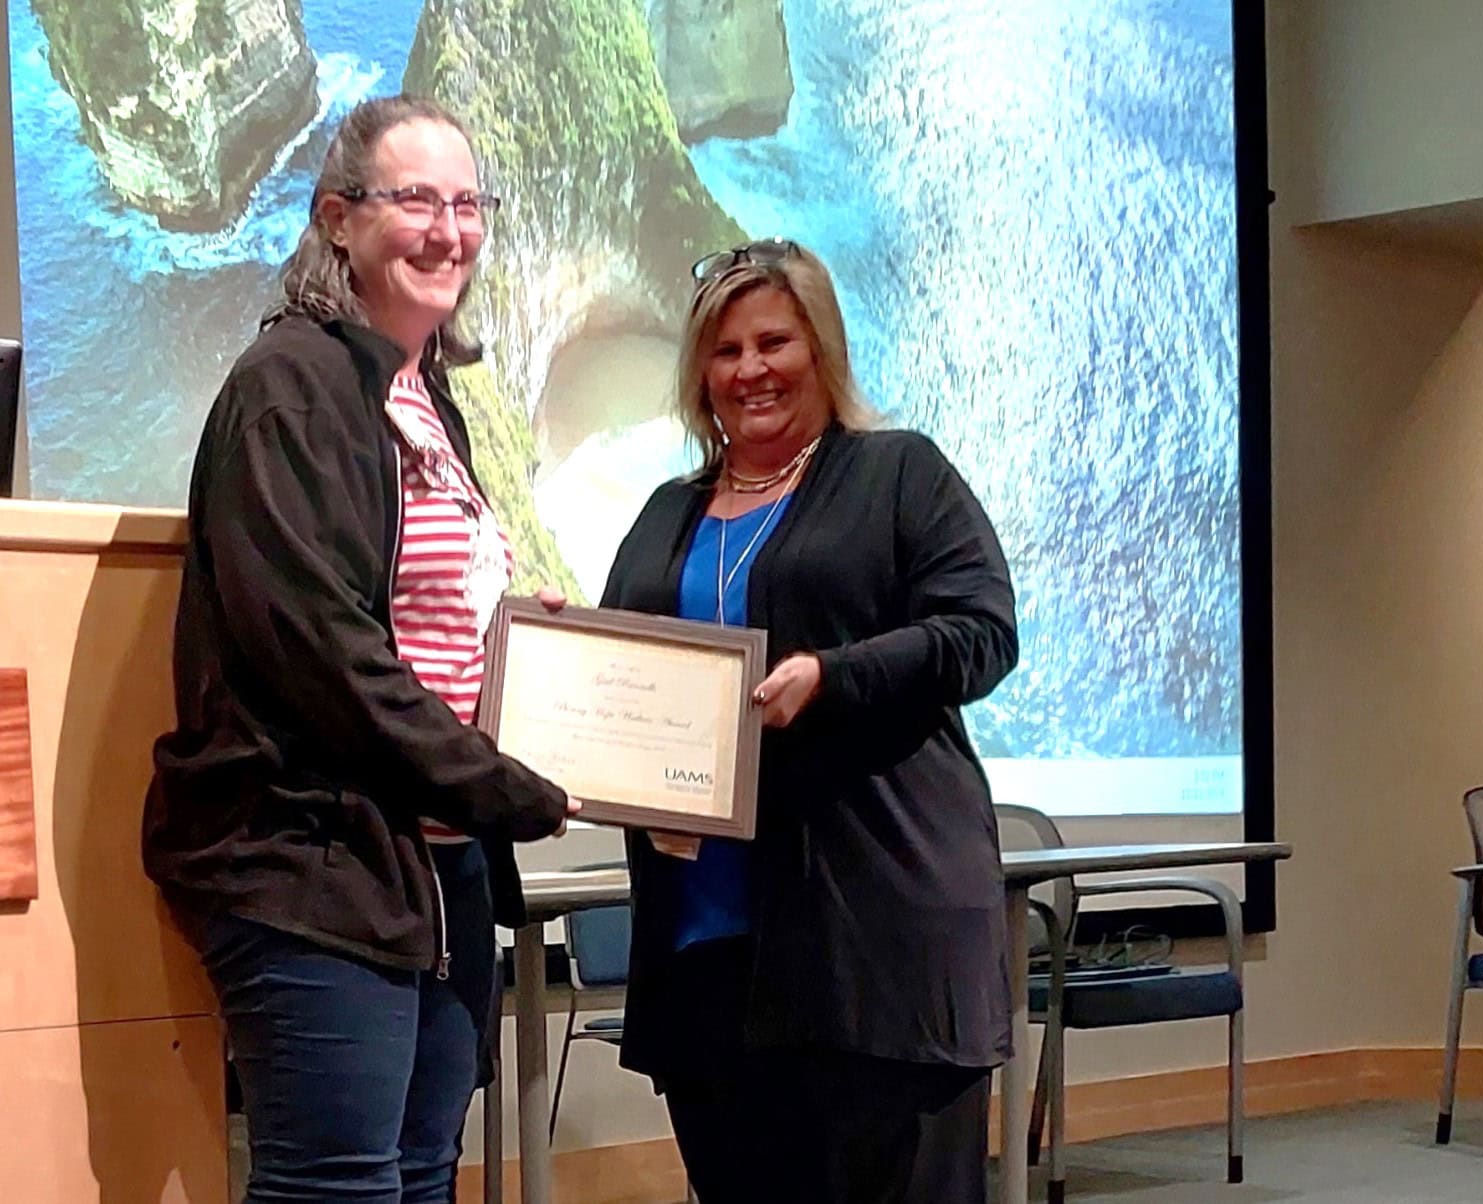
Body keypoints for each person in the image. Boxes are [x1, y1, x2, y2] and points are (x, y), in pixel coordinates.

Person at [141, 95, 575, 1203]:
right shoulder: (290, 387)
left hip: (433, 870)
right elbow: (320, 651)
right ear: (338, 218)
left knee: (422, 1177)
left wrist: (521, 639)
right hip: (311, 861)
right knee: (336, 1189)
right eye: (416, 199)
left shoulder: (425, 393)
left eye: (469, 203)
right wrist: (501, 785)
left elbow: (413, 610)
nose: (450, 230)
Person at [599, 238, 1019, 1204]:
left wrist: (833, 676)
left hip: (874, 951)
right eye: (726, 350)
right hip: (706, 953)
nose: (750, 370)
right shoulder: (668, 511)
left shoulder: (900, 474)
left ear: (821, 348)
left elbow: (982, 632)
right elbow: (626, 678)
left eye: (773, 343)